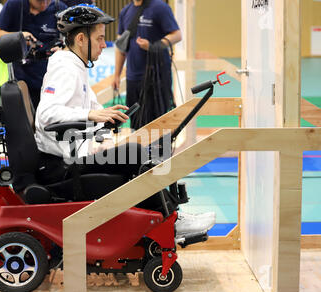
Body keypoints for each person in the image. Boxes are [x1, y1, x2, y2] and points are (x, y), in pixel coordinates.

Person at [34, 4, 215, 239]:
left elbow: (80, 108)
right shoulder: (66, 68)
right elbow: (47, 114)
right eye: (99, 39)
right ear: (80, 39)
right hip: (62, 166)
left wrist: (104, 116)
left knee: (139, 154)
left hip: (70, 154)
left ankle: (170, 217)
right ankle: (171, 221)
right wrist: (92, 116)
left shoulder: (75, 65)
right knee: (139, 155)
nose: (104, 45)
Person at [113, 0, 182, 129]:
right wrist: (116, 75)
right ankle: (138, 148)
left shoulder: (160, 7)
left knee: (158, 122)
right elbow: (120, 47)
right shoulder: (125, 11)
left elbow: (177, 35)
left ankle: (159, 149)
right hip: (133, 78)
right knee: (136, 121)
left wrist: (154, 46)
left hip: (157, 78)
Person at [0, 0, 68, 108]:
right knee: (24, 121)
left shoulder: (59, 7)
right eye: (40, 1)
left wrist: (64, 50)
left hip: (52, 76)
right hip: (21, 75)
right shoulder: (15, 5)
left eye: (48, 0)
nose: (44, 3)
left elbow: (75, 40)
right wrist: (19, 36)